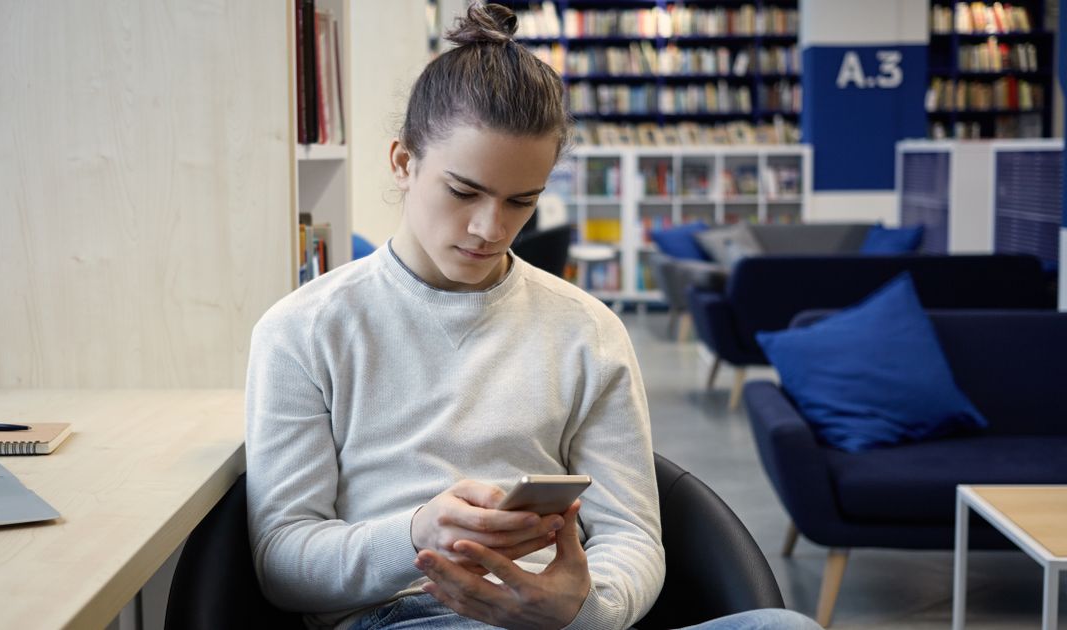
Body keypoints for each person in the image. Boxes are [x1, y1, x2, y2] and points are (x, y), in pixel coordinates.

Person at [246, 4, 821, 629]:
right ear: (403, 163)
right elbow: (283, 559)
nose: (490, 228)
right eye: (463, 191)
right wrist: (416, 535)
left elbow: (631, 534)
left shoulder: (585, 328)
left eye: (522, 201)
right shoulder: (302, 330)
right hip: (406, 615)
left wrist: (585, 609)